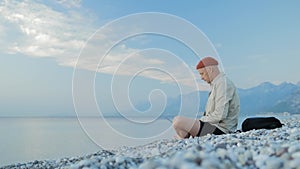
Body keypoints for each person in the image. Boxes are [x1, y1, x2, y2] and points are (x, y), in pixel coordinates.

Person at [173, 56, 240, 139]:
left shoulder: (223, 84)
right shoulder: (217, 84)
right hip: (213, 126)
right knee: (176, 121)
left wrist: (200, 121)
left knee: (178, 121)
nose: (201, 77)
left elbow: (220, 115)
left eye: (202, 73)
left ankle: (185, 137)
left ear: (210, 70)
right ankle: (185, 137)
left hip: (220, 130)